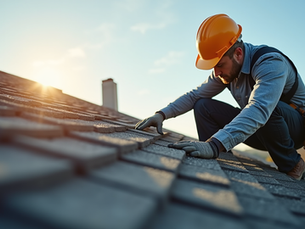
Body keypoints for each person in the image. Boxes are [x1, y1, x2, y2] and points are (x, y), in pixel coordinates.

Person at [135, 14, 305, 180]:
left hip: (293, 130)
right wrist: (162, 114)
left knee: (267, 106)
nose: (216, 73)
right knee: (203, 105)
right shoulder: (226, 70)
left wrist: (215, 144)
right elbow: (195, 95)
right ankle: (223, 160)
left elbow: (260, 108)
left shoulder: (270, 63)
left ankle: (293, 164)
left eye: (220, 65)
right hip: (260, 131)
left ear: (238, 53)